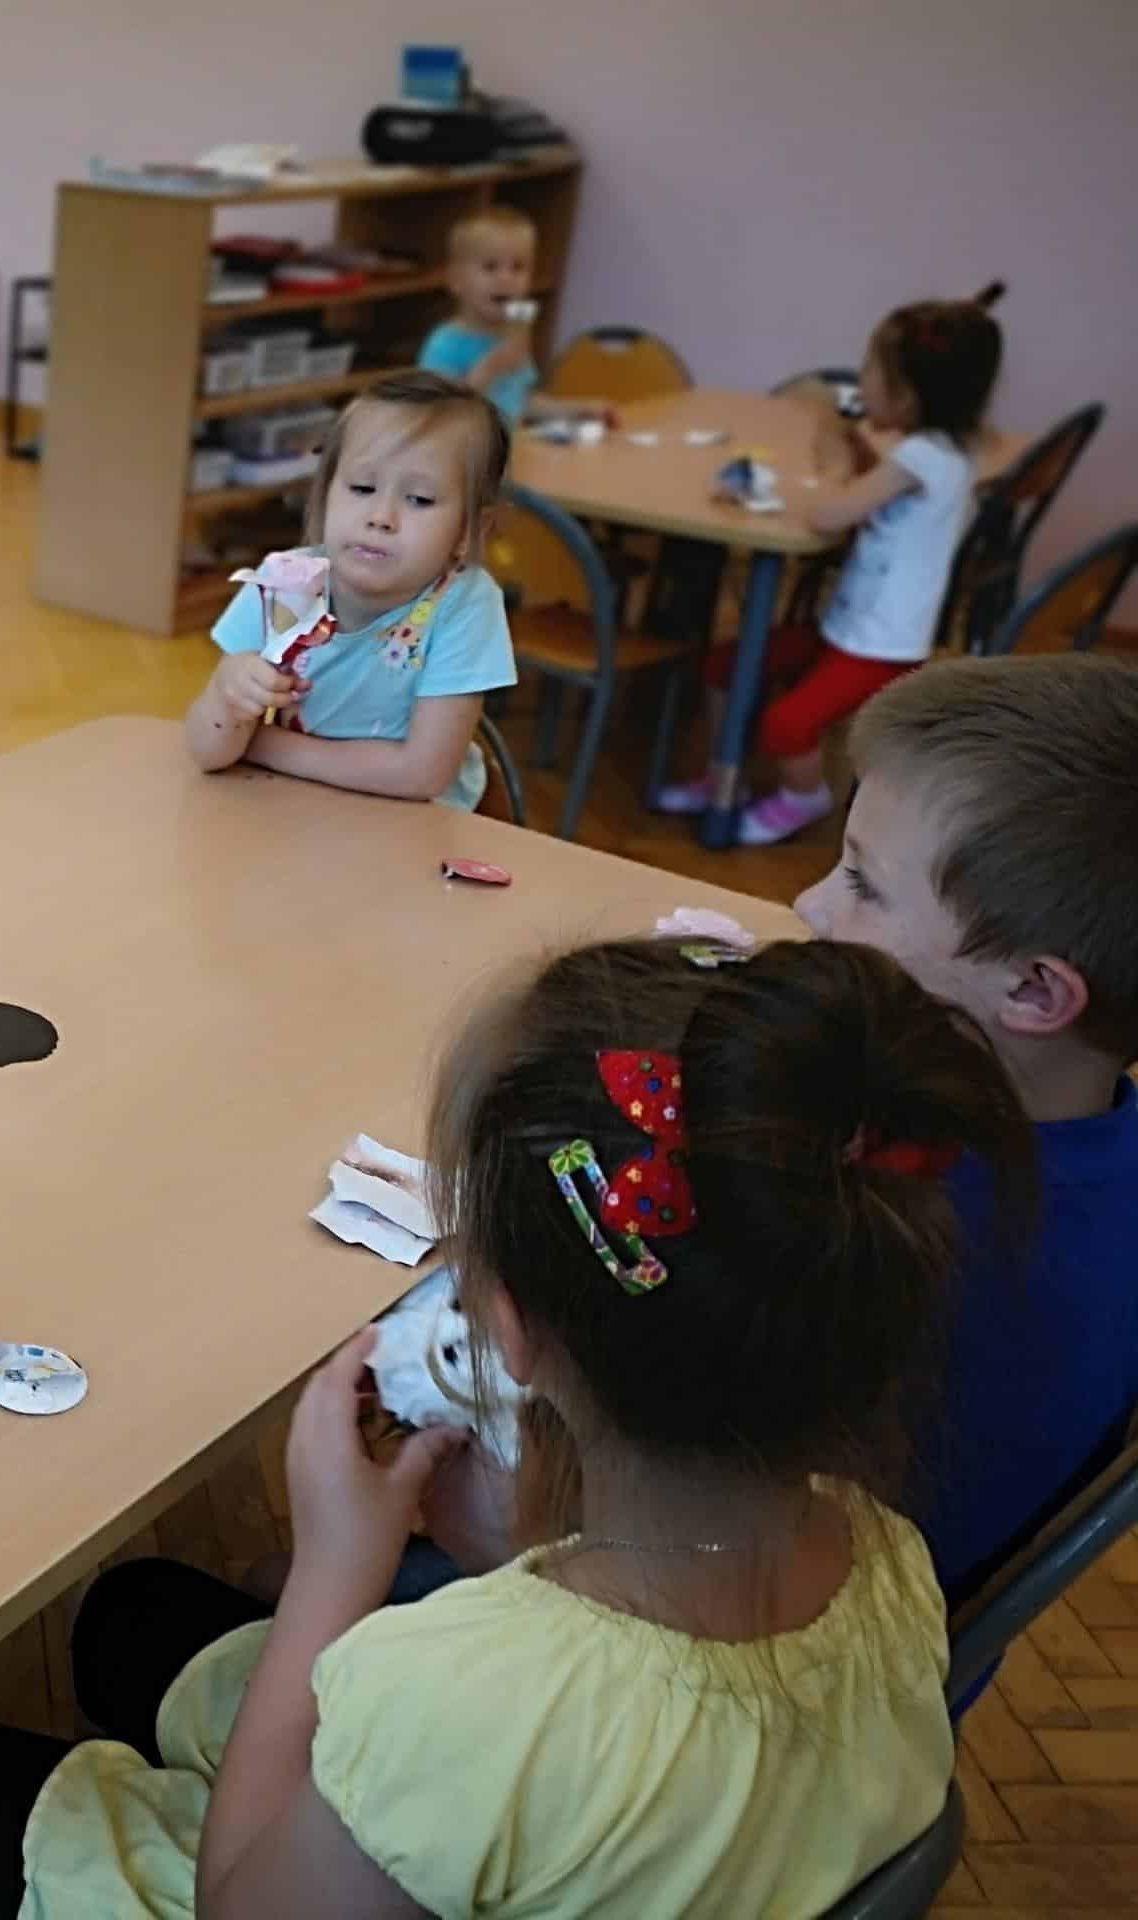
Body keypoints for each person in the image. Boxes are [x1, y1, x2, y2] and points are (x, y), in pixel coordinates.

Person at [0, 936, 1032, 1918]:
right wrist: (510, 1548)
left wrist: (335, 1567)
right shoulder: (890, 1559)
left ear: (508, 1331)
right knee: (132, 1613)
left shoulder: (472, 1705)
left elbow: (239, 1903)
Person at [800, 654, 1138, 1650]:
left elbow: (772, 1587)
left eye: (862, 884)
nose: (811, 906)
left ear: (1033, 992)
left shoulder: (958, 1270)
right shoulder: (1069, 1136)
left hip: (781, 1680)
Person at [655, 287, 1006, 845]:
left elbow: (827, 515)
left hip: (882, 648)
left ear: (909, 395)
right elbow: (880, 486)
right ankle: (725, 777)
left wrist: (837, 457)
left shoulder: (920, 457)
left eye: (871, 369)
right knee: (725, 665)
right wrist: (860, 455)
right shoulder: (943, 451)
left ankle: (804, 797)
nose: (861, 380)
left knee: (787, 722)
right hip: (849, 628)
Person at [184, 371, 518, 810]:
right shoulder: (284, 582)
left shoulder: (466, 603)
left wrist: (263, 745)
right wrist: (225, 698)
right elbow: (206, 754)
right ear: (325, 496)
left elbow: (423, 774)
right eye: (362, 488)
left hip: (421, 824)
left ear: (470, 529)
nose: (380, 517)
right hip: (299, 811)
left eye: (419, 499)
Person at [414, 206, 603, 429]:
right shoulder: (444, 345)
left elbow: (519, 402)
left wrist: (577, 410)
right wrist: (492, 368)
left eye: (518, 267)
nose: (506, 278)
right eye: (490, 267)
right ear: (456, 280)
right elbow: (439, 418)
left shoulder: (514, 337)